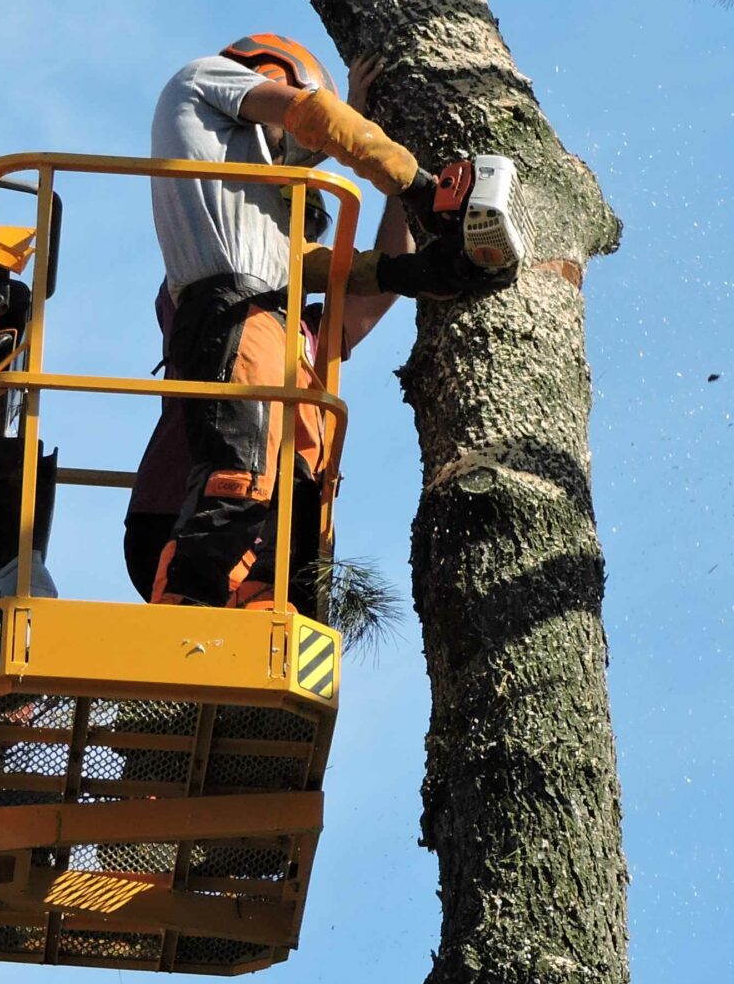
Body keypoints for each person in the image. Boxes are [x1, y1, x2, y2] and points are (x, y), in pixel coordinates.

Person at [143, 32, 502, 610]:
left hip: (264, 317)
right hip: (235, 312)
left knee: (298, 486)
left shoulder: (252, 211)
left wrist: (413, 271)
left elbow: (333, 271)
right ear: (272, 73)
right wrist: (418, 185)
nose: (307, 223)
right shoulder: (205, 79)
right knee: (244, 472)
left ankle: (267, 604)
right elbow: (311, 117)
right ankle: (187, 603)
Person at [124, 188, 411, 606]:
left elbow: (384, 285)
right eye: (291, 224)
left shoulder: (311, 335)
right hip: (186, 522)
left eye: (310, 230)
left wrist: (405, 190)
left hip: (279, 542)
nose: (301, 241)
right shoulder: (209, 300)